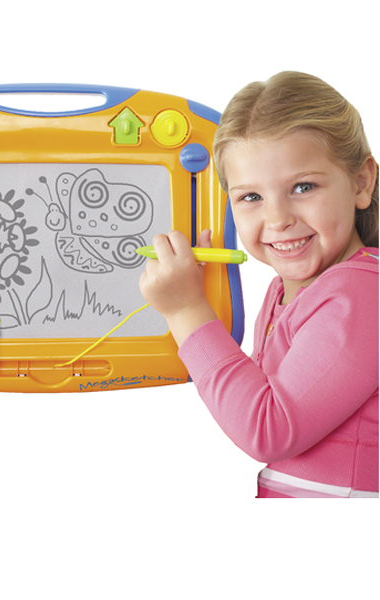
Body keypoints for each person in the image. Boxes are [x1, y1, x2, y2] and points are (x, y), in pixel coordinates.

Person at [140, 71, 378, 498]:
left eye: (303, 187)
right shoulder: (285, 290)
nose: (277, 218)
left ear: (361, 182)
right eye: (251, 197)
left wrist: (185, 309)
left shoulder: (361, 294)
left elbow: (268, 430)